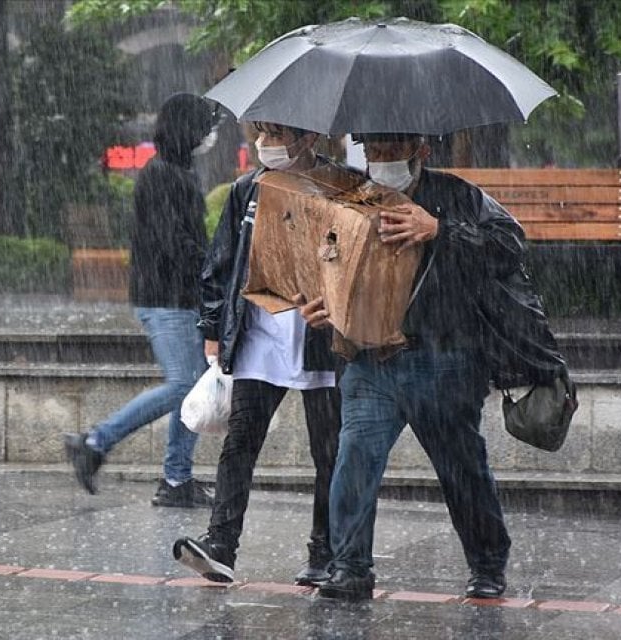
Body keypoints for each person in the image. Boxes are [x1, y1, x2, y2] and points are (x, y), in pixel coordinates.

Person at [302, 131, 520, 601]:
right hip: (367, 357)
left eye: (391, 149)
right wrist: (320, 306)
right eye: (372, 150)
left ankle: (486, 562)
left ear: (420, 149)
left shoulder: (457, 195)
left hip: (441, 354)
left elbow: (509, 246)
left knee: (460, 464)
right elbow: (321, 263)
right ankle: (350, 566)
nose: (380, 160)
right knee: (354, 459)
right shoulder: (349, 199)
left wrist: (440, 229)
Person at [172, 121, 355, 584]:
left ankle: (324, 551)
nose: (265, 146)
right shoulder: (245, 191)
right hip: (259, 335)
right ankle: (220, 544)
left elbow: (357, 260)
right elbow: (221, 262)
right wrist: (213, 328)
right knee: (240, 443)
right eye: (263, 135)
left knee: (328, 451)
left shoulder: (342, 188)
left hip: (320, 338)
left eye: (277, 136)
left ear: (308, 139)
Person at [63, 93, 219, 508]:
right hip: (165, 297)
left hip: (181, 297)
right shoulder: (162, 174)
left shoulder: (179, 172)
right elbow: (174, 241)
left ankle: (176, 480)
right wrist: (211, 265)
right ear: (189, 130)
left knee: (193, 389)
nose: (210, 136)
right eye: (205, 127)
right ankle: (95, 441)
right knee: (185, 386)